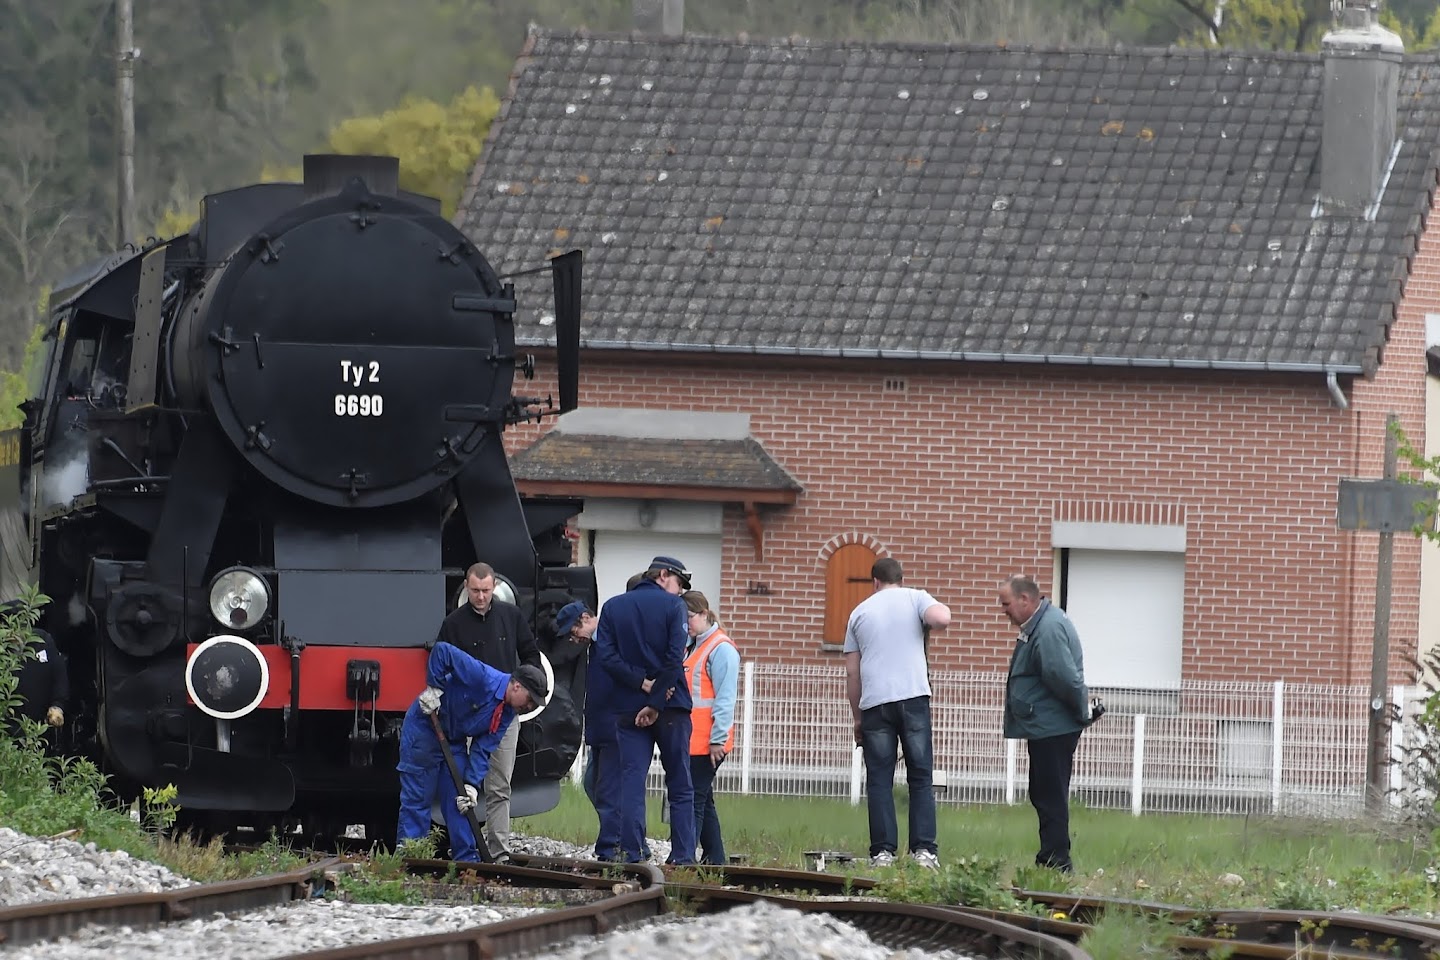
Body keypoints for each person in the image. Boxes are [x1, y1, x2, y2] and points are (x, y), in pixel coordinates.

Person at [396, 641, 548, 861]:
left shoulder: (507, 713)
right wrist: (434, 688)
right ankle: (410, 857)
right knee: (418, 798)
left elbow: (484, 747)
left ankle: (466, 860)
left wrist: (471, 785)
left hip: (453, 740)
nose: (529, 707)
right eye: (530, 701)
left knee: (460, 800)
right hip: (425, 729)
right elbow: (442, 651)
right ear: (517, 686)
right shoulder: (481, 676)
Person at [844, 557, 950, 869]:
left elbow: (852, 672)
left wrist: (858, 718)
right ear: (900, 579)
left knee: (878, 778)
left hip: (875, 702)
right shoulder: (915, 598)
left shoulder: (859, 612)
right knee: (920, 775)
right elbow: (942, 617)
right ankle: (924, 851)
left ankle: (883, 853)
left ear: (874, 581)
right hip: (913, 697)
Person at [433, 561, 541, 861]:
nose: (480, 597)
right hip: (469, 715)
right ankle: (466, 847)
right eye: (475, 591)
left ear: (495, 588)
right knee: (464, 782)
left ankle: (499, 850)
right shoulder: (453, 623)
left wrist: (522, 682)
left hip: (505, 711)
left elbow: (531, 652)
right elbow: (441, 663)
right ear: (466, 587)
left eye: (486, 591)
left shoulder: (511, 615)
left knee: (499, 784)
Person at [592, 555, 696, 864]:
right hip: (671, 706)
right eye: (679, 584)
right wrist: (656, 700)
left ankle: (631, 853)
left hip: (627, 706)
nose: (680, 593)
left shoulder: (612, 607)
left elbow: (607, 658)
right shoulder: (673, 607)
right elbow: (674, 656)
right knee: (679, 782)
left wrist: (642, 684)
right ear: (664, 575)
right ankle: (683, 856)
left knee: (631, 782)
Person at [998, 574, 1091, 874]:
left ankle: (1057, 862)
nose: (1004, 610)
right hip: (1045, 725)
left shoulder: (1048, 629)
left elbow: (1064, 678)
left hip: (1053, 727)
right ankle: (1049, 857)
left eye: (1007, 604)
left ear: (1025, 600)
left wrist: (1080, 711)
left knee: (1050, 795)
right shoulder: (1039, 624)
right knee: (1043, 792)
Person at [682, 590, 739, 865]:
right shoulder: (694, 645)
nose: (686, 624)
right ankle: (715, 858)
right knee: (703, 799)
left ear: (704, 614)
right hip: (694, 740)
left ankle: (685, 858)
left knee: (693, 798)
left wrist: (718, 739)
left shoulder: (721, 649)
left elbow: (725, 699)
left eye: (689, 618)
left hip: (708, 743)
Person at [1, 600, 67, 738]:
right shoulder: (3, 651)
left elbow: (59, 676)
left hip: (37, 727)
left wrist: (57, 705)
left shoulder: (43, 641)